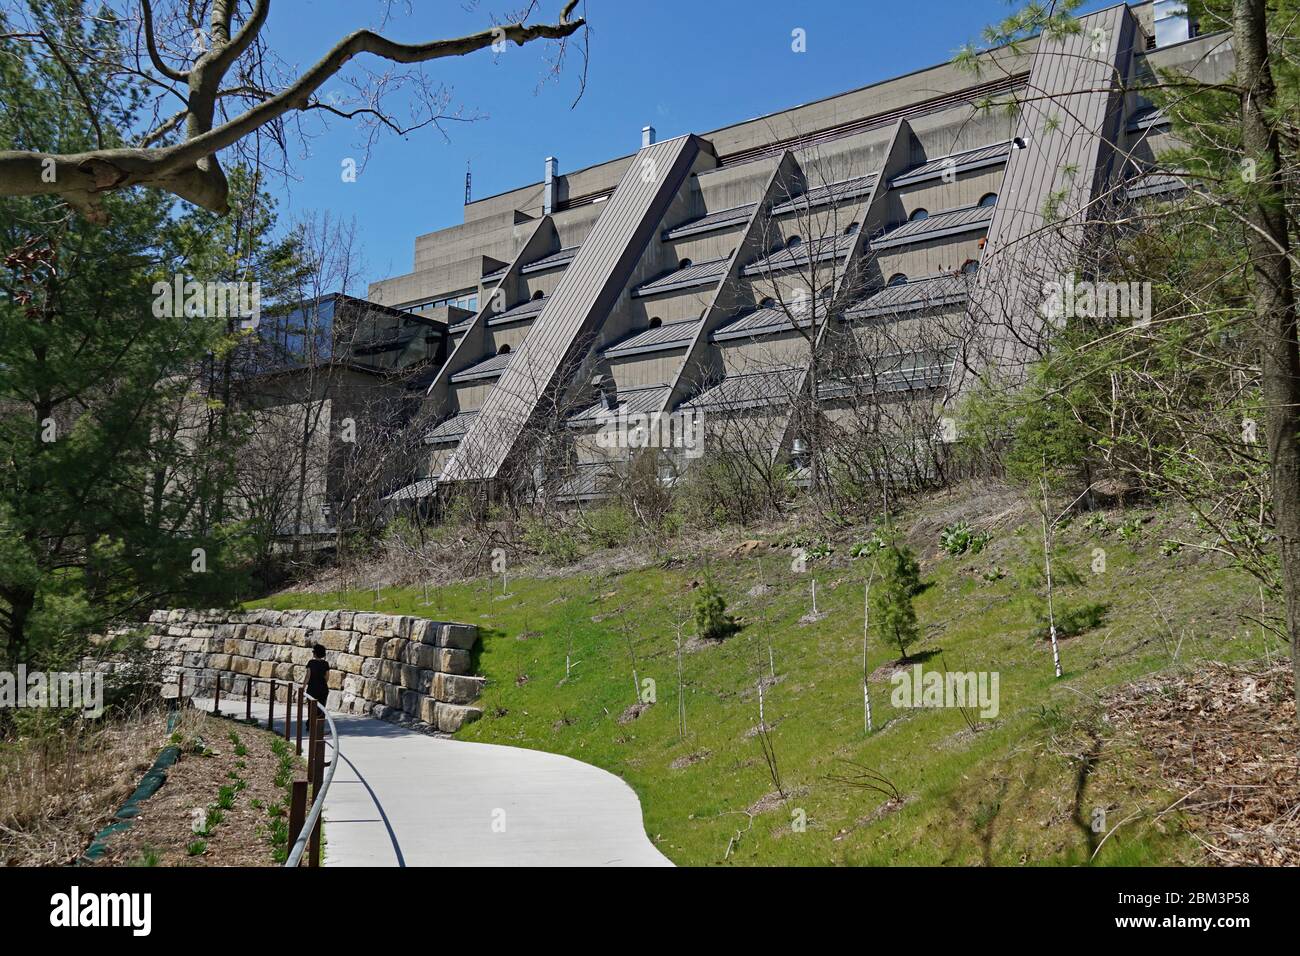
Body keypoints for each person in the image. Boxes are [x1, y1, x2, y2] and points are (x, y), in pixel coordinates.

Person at [304, 644, 330, 711]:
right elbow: (327, 677)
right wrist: (322, 683)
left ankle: (311, 721)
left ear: (315, 653)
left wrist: (303, 687)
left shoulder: (311, 663)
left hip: (312, 689)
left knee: (312, 709)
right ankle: (319, 721)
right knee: (321, 709)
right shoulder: (325, 664)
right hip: (323, 689)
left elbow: (308, 676)